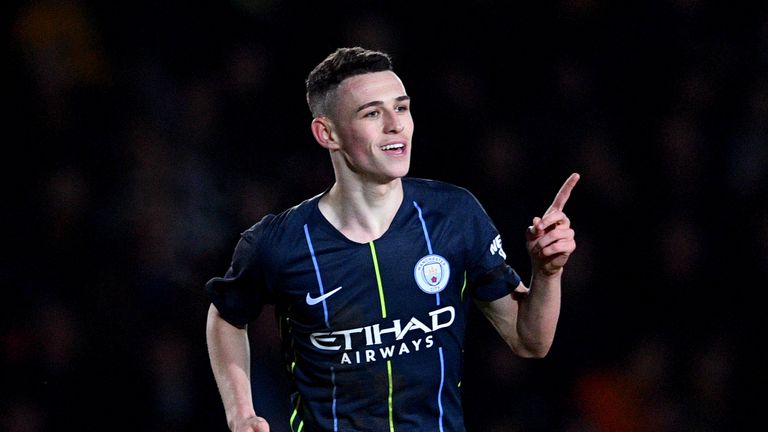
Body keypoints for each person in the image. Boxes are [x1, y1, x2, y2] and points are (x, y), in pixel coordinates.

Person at [205, 46, 580, 432]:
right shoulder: (279, 244)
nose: (396, 124)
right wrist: (241, 413)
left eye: (401, 108)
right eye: (372, 113)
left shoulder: (454, 215)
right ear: (326, 133)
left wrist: (548, 272)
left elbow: (530, 341)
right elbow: (226, 316)